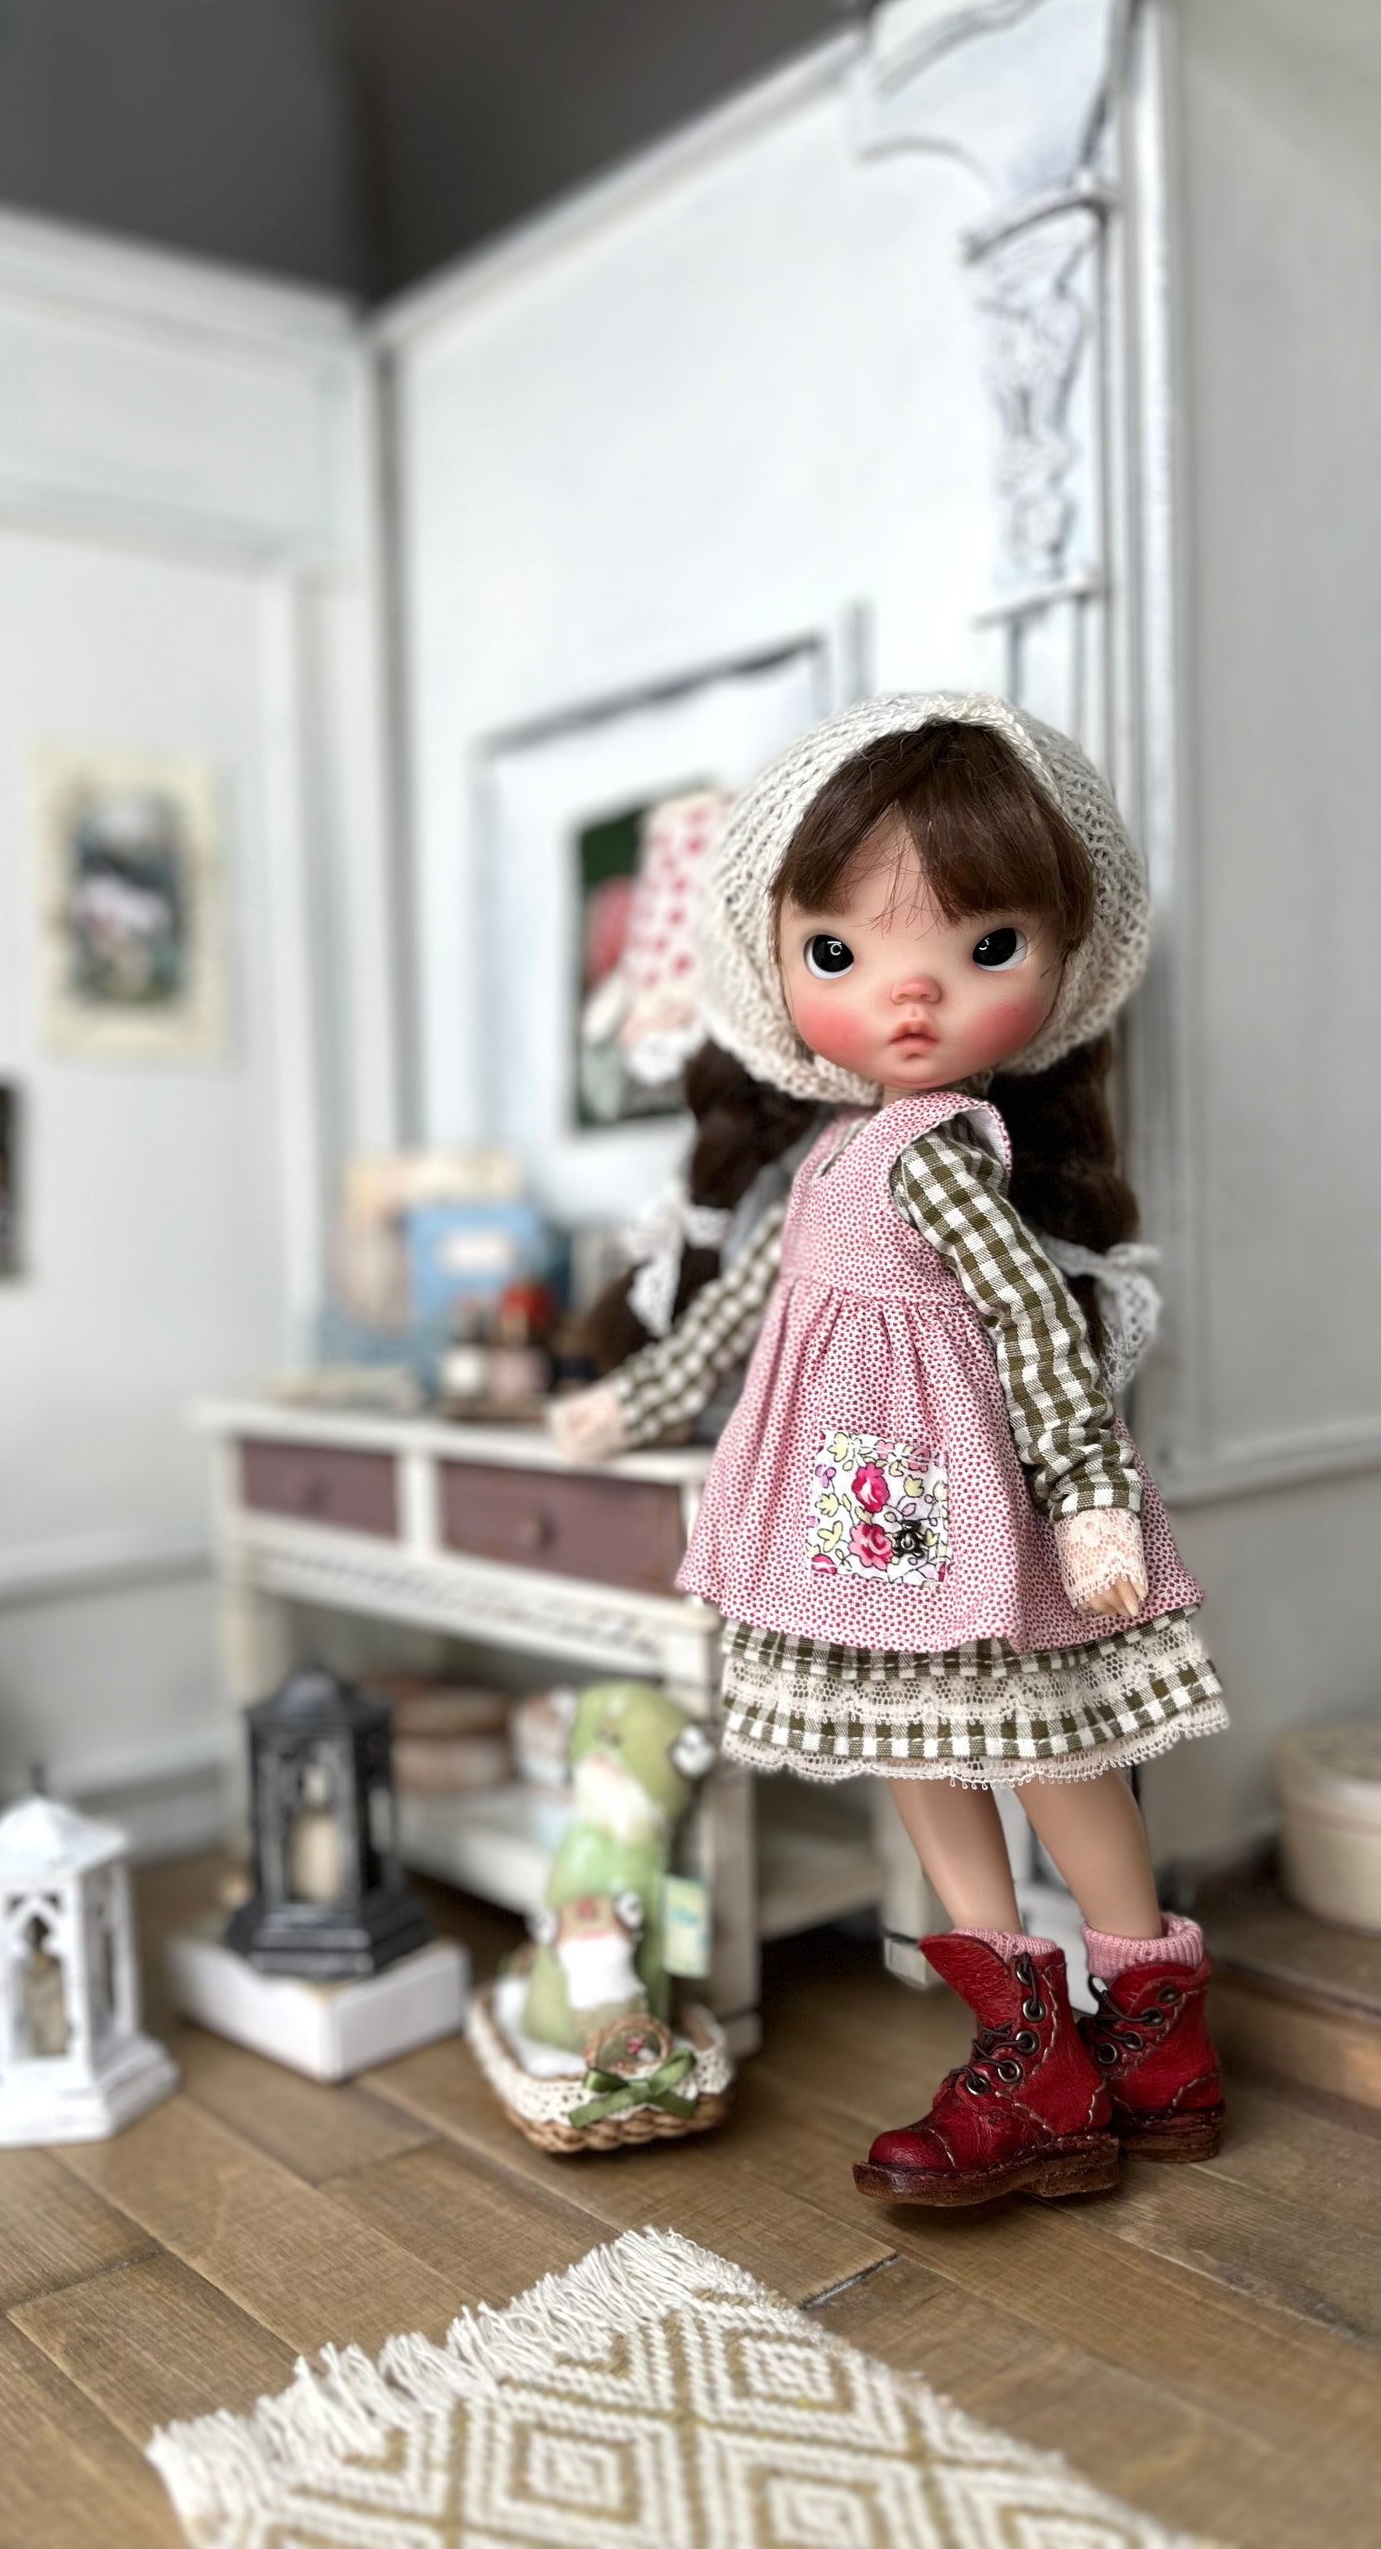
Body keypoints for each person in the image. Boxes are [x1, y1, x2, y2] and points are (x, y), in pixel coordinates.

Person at [553, 696, 1227, 2207]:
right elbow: (741, 1312)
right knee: (916, 1746)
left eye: (982, 947)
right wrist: (634, 1403)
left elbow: (1033, 1321)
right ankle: (1033, 2051)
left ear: (1053, 961)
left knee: (1046, 1746)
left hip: (967, 1504)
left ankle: (1156, 2041)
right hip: (865, 1521)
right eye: (840, 952)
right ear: (782, 958)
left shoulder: (939, 1151)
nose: (908, 994)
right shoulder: (827, 1159)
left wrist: (1091, 1497)